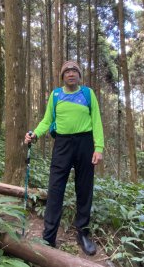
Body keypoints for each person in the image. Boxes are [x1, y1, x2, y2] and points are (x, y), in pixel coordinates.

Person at [24, 60, 104, 256]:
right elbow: (47, 120)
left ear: (79, 75)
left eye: (74, 71)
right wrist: (35, 134)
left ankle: (82, 233)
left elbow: (97, 121)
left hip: (85, 143)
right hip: (62, 144)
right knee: (55, 188)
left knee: (84, 189)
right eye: (67, 71)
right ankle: (49, 237)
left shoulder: (87, 93)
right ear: (62, 76)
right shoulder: (56, 95)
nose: (71, 74)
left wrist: (98, 147)